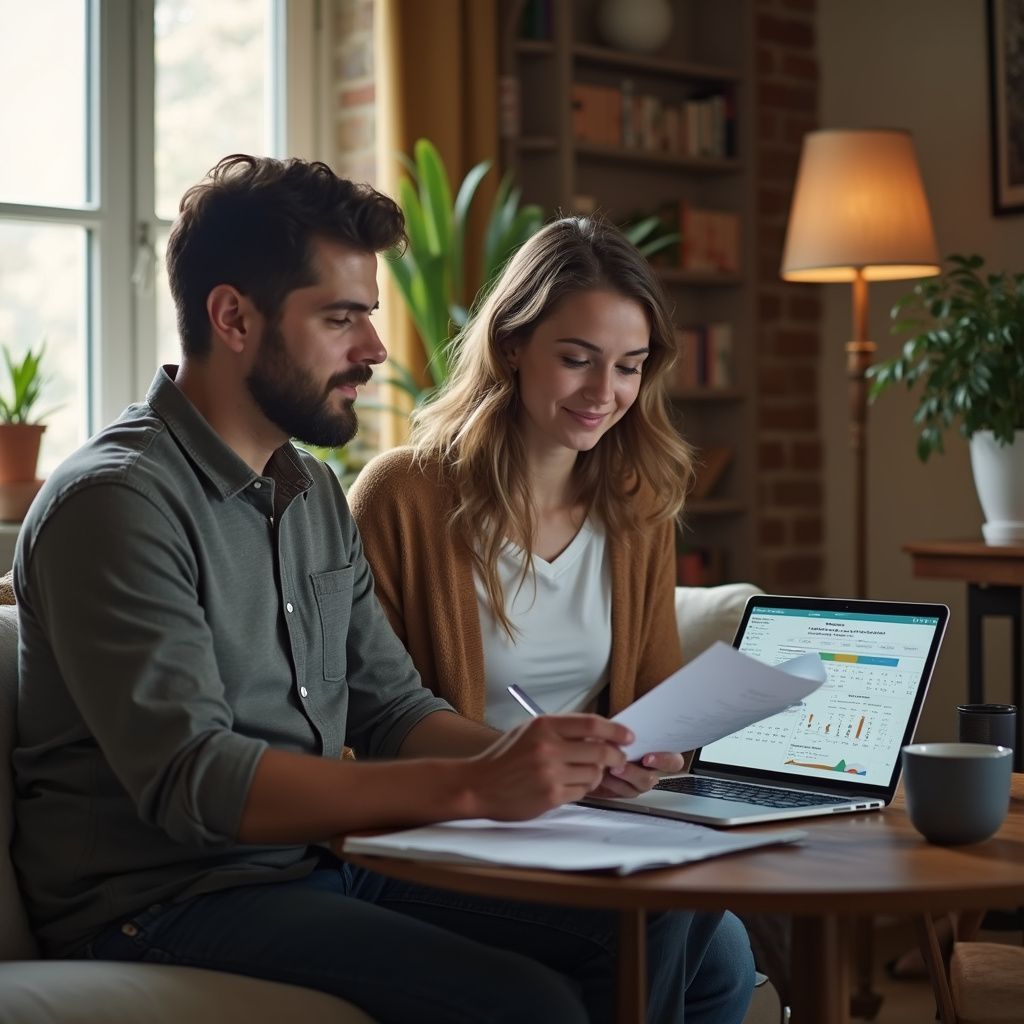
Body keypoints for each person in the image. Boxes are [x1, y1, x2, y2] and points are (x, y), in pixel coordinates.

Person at [11, 156, 751, 1024]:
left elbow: (393, 709)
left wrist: (555, 765)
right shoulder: (118, 502)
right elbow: (196, 779)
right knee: (526, 1002)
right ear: (232, 317)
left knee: (678, 924)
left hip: (319, 864)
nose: (375, 349)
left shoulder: (310, 491)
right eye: (341, 318)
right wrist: (476, 788)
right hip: (164, 898)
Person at [349, 216, 754, 986]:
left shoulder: (635, 503)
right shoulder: (404, 496)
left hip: (587, 827)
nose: (605, 394)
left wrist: (650, 759)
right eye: (577, 360)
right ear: (511, 347)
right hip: (450, 829)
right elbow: (369, 720)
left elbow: (656, 698)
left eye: (630, 367)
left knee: (725, 958)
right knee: (670, 928)